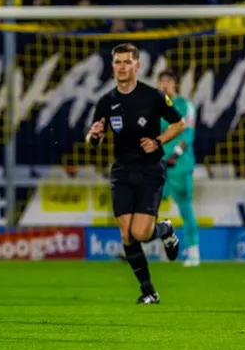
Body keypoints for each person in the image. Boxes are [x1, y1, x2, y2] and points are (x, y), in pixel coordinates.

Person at [86, 44, 185, 304]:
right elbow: (93, 138)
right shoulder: (106, 101)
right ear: (112, 66)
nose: (121, 67)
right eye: (117, 62)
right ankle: (149, 291)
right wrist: (94, 135)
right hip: (122, 171)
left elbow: (179, 123)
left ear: (137, 66)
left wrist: (158, 141)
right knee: (126, 234)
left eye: (127, 62)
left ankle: (165, 229)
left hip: (150, 170)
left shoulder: (152, 96)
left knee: (140, 233)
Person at [157, 70, 200, 267]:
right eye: (161, 81)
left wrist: (175, 154)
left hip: (179, 166)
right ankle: (143, 247)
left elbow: (188, 134)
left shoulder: (185, 106)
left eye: (168, 81)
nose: (165, 84)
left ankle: (193, 251)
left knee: (185, 207)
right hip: (158, 166)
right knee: (147, 206)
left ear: (175, 85)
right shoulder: (154, 108)